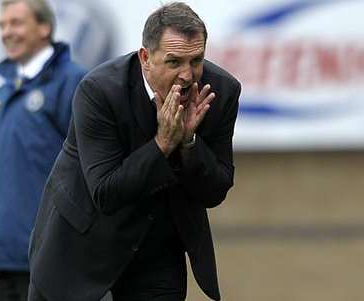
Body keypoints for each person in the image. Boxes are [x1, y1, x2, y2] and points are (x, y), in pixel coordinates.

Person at [28, 2, 241, 301]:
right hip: (81, 249)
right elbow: (105, 192)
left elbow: (215, 190)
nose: (188, 75)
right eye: (174, 62)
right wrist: (164, 143)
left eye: (196, 60)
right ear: (145, 58)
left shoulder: (220, 92)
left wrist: (189, 142)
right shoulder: (99, 91)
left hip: (157, 250)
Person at [0, 0, 86, 300]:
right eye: (2, 25)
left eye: (16, 23)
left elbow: (90, 170)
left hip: (53, 259)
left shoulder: (74, 83)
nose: (7, 32)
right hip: (4, 261)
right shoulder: (1, 95)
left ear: (44, 27)